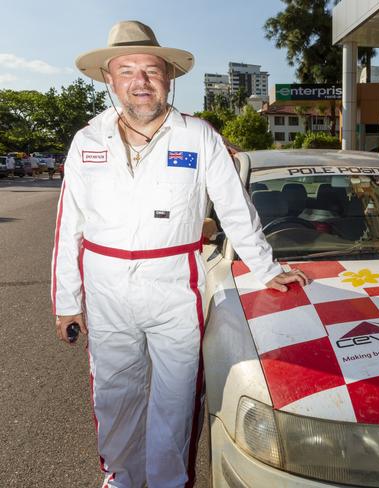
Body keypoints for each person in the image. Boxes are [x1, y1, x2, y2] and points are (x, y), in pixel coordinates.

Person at [51, 20, 308, 488]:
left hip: (174, 290)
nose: (140, 80)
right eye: (127, 69)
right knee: (115, 396)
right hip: (106, 292)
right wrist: (68, 302)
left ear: (169, 76)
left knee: (174, 400)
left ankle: (170, 482)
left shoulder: (199, 137)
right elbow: (70, 225)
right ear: (109, 79)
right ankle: (121, 478)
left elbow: (235, 207)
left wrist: (266, 268)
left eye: (151, 69)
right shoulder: (86, 141)